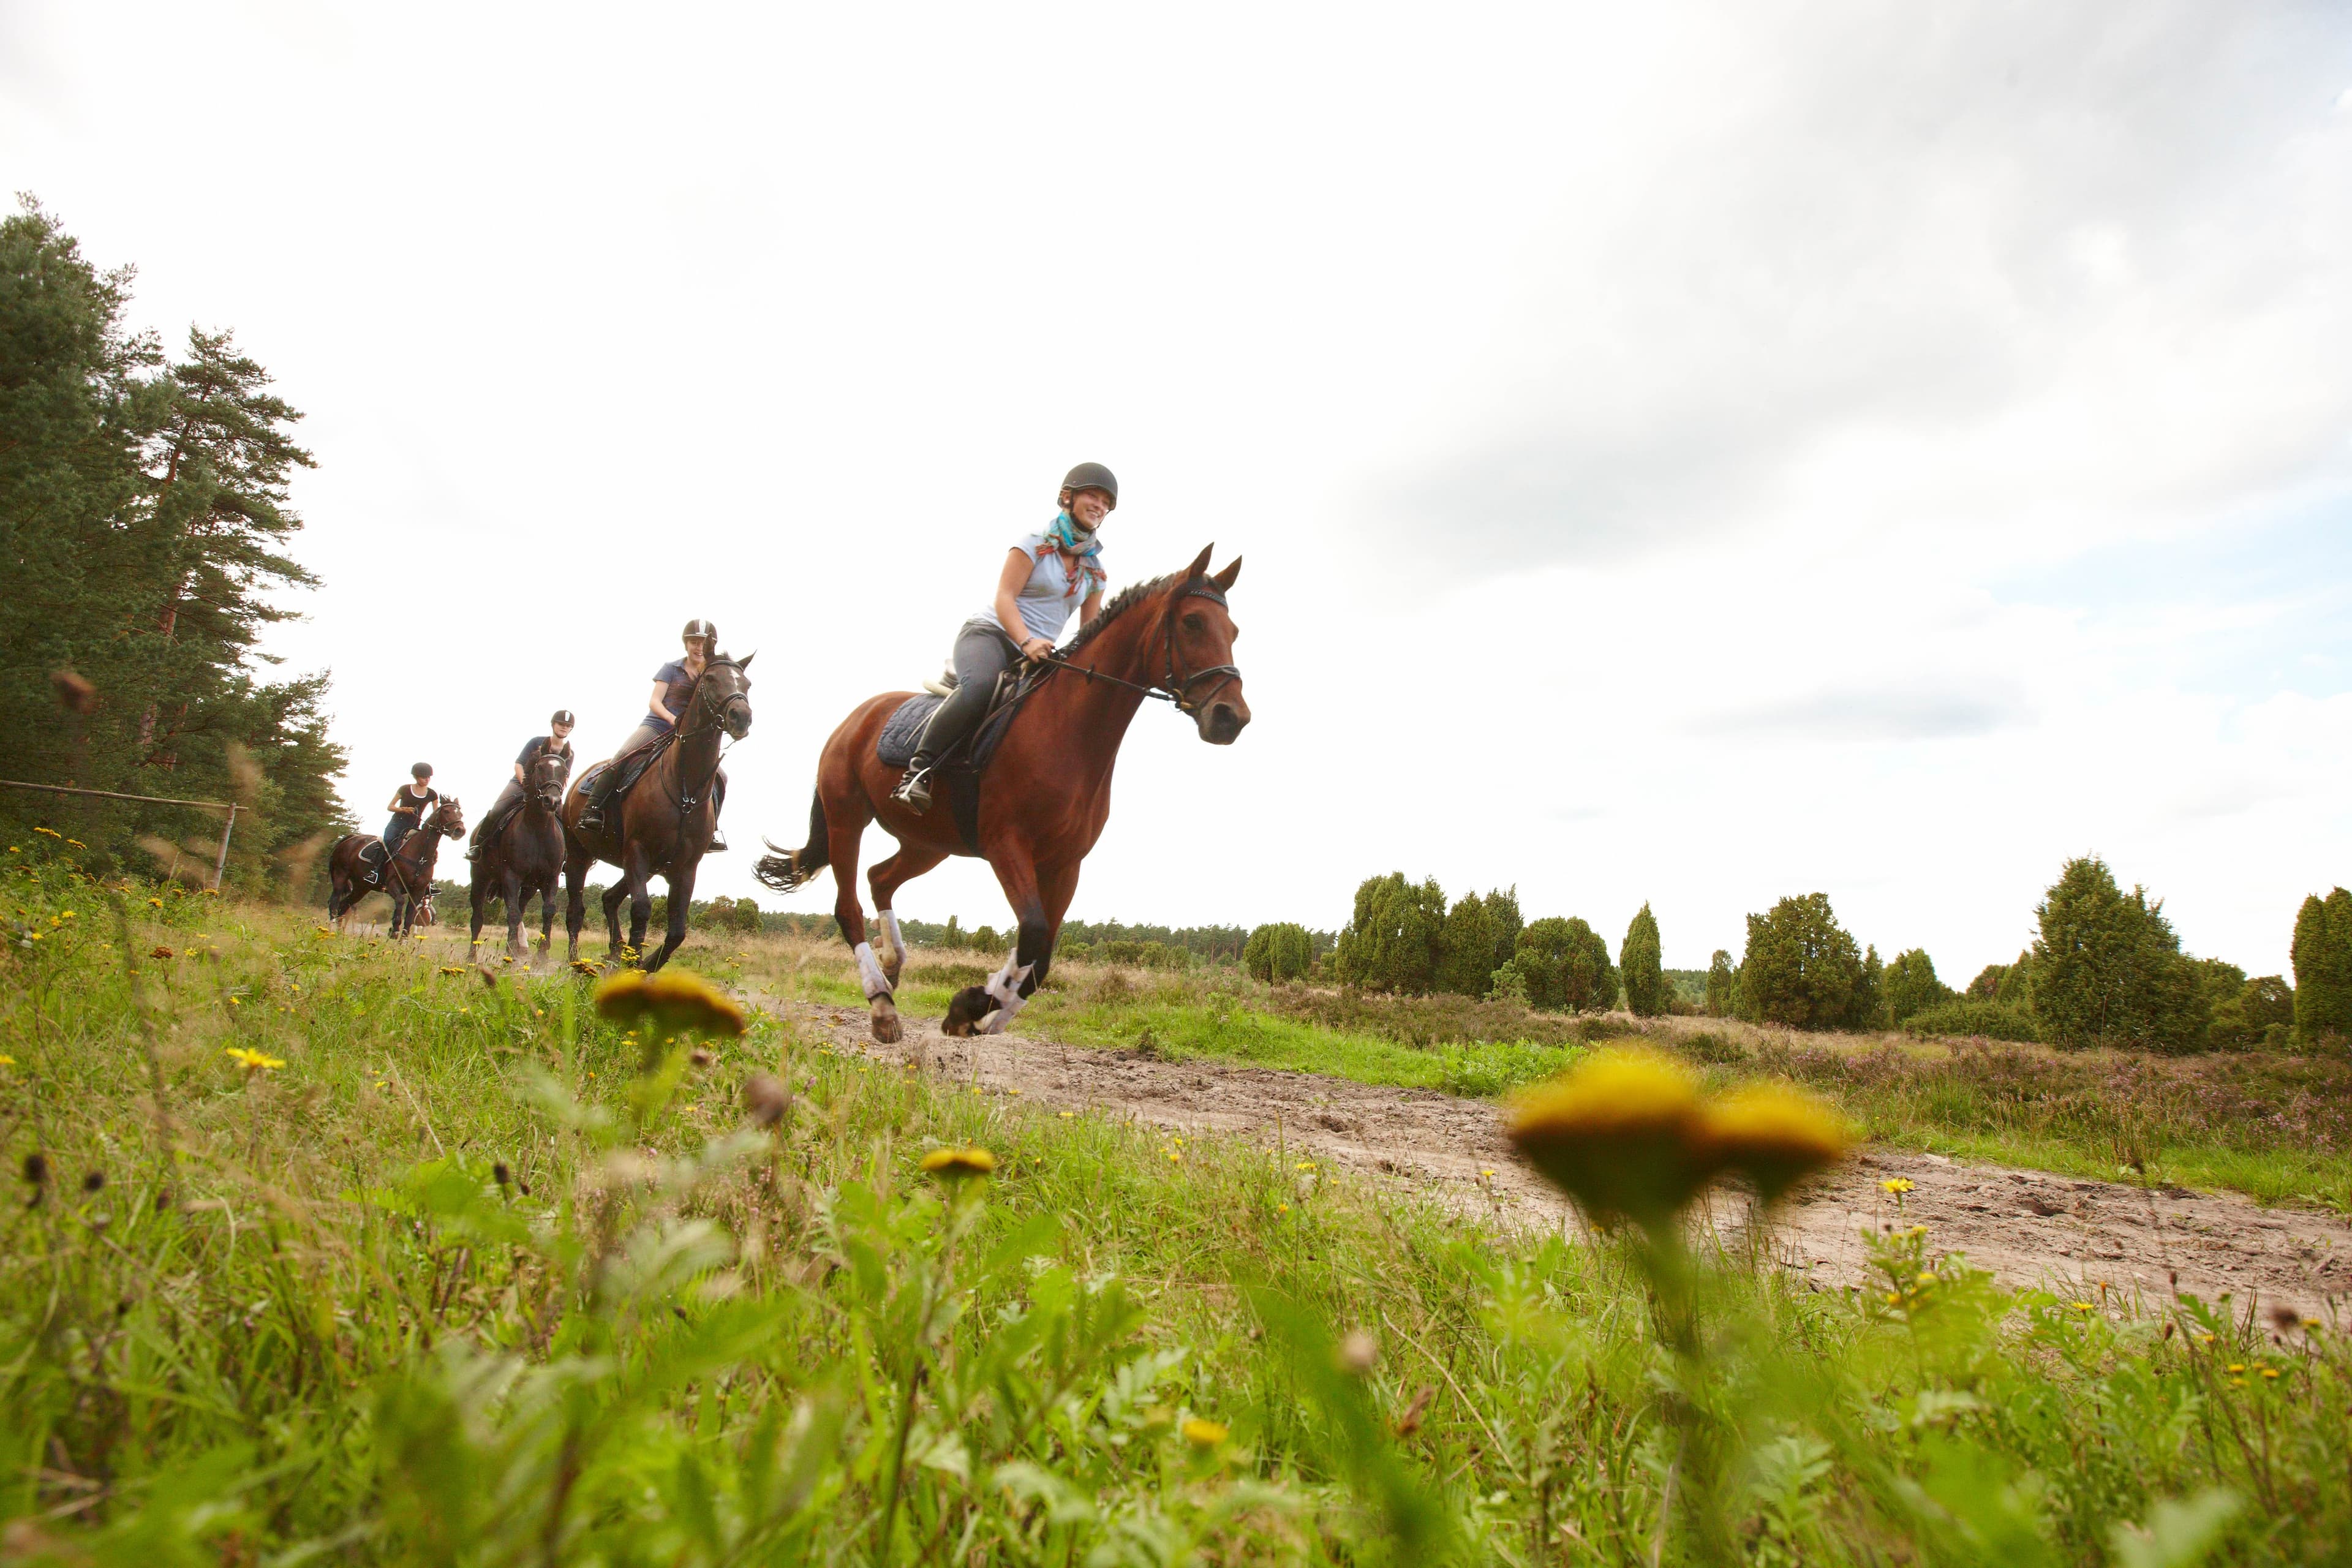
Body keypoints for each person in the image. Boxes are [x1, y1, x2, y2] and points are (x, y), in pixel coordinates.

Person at [891, 463, 1118, 813]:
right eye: (1092, 495)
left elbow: (1089, 635)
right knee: (981, 687)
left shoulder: (1096, 573)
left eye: (1105, 502)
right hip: (992, 635)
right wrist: (1027, 641)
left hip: (1040, 655)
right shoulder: (1034, 544)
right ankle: (919, 770)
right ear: (1068, 497)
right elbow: (1005, 598)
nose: (1099, 505)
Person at [576, 620, 714, 832]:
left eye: (703, 644)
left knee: (718, 775)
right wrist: (671, 719)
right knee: (622, 757)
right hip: (658, 727)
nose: (698, 648)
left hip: (687, 737)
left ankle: (710, 830)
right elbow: (655, 702)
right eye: (694, 642)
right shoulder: (671, 668)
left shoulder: (711, 676)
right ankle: (591, 810)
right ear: (686, 644)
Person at [466, 710, 576, 859]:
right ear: (553, 725)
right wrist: (526, 784)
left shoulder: (569, 752)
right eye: (561, 724)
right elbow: (519, 764)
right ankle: (477, 847)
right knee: (497, 810)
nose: (564, 728)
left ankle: (566, 857)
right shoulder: (536, 742)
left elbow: (565, 776)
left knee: (566, 820)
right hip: (521, 783)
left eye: (568, 726)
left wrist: (557, 792)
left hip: (549, 790)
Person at [382, 763, 439, 853]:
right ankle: (379, 865)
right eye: (423, 777)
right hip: (397, 823)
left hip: (414, 826)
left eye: (429, 777)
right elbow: (390, 807)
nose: (427, 780)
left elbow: (436, 813)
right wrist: (403, 809)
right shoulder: (405, 789)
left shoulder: (432, 794)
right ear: (416, 777)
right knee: (388, 841)